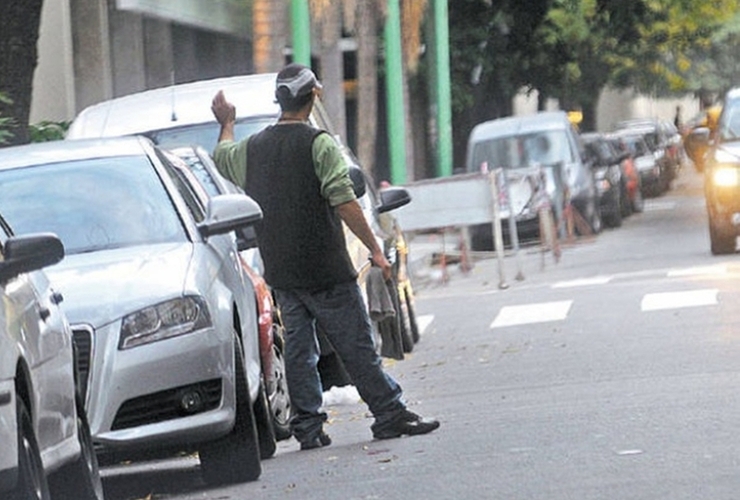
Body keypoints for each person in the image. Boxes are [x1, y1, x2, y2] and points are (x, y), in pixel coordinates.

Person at [210, 63, 440, 450]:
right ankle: (389, 413)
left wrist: (227, 121)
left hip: (283, 272)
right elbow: (346, 202)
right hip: (326, 268)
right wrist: (374, 249)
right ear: (313, 96)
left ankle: (308, 426)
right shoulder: (320, 144)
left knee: (300, 352)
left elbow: (222, 156)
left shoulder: (254, 148)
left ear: (280, 100)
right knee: (356, 345)